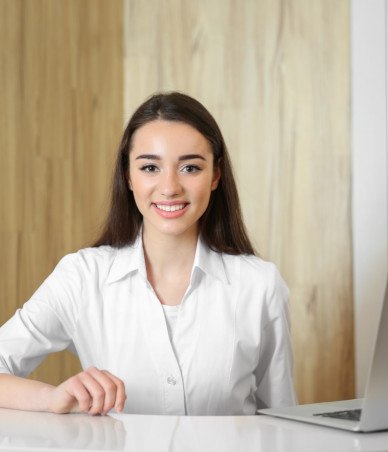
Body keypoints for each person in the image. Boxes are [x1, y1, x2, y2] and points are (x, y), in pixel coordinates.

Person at [0, 92, 297, 416]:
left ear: (215, 175)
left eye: (190, 168)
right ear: (128, 175)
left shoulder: (260, 285)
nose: (169, 187)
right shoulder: (82, 277)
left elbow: (282, 421)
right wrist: (53, 397)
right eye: (150, 167)